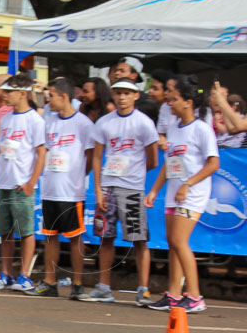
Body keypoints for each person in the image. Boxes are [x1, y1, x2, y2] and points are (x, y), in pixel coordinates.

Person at [80, 79, 159, 304]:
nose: (122, 97)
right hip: (108, 187)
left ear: (135, 96)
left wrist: (135, 173)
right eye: (118, 93)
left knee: (139, 239)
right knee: (105, 236)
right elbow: (96, 157)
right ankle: (104, 287)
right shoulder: (104, 122)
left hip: (132, 188)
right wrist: (98, 188)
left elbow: (152, 159)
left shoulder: (144, 123)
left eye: (127, 93)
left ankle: (143, 289)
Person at [144, 77, 219, 313]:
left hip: (192, 194)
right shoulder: (174, 129)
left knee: (179, 241)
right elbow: (170, 164)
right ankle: (174, 293)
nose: (170, 103)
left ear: (187, 102)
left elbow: (213, 164)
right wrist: (155, 190)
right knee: (172, 243)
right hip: (173, 194)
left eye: (174, 99)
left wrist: (188, 184)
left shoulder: (201, 129)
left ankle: (195, 296)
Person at [24, 78, 95, 299]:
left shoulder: (84, 124)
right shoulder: (49, 121)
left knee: (75, 238)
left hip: (71, 191)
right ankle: (49, 281)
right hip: (50, 189)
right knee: (50, 237)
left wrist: (78, 175)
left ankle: (78, 283)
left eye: (52, 95)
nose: (48, 100)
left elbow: (91, 156)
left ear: (63, 97)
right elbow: (43, 151)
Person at [0, 75, 46, 292]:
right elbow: (0, 151)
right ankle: (6, 273)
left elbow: (41, 153)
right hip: (3, 183)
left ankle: (25, 275)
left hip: (21, 184)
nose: (5, 95)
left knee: (26, 231)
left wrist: (31, 183)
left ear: (23, 93)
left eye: (9, 91)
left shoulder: (35, 120)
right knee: (5, 232)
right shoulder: (7, 119)